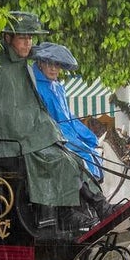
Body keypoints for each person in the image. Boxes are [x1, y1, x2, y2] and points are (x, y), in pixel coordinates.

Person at [0, 11, 108, 234]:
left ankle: (95, 207)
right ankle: (68, 214)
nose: (28, 43)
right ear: (8, 38)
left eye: (30, 38)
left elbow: (35, 110)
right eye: (23, 38)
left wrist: (50, 132)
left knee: (72, 156)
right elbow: (6, 118)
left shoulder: (22, 65)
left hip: (28, 137)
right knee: (60, 159)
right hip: (6, 143)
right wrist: (43, 131)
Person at [30, 42, 104, 182]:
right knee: (85, 155)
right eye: (49, 64)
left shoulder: (58, 87)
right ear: (40, 64)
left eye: (56, 65)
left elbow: (68, 116)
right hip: (52, 135)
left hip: (66, 131)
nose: (53, 69)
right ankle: (90, 192)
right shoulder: (36, 86)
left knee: (93, 149)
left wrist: (87, 135)